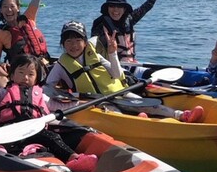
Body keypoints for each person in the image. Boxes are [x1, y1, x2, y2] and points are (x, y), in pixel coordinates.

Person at [46, 21, 203, 122]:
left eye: (78, 40)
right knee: (116, 115)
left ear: (85, 42)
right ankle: (141, 121)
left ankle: (181, 115)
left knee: (148, 105)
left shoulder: (96, 56)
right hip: (96, 101)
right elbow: (49, 86)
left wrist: (113, 53)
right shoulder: (61, 65)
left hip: (119, 92)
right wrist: (66, 96)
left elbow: (116, 74)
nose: (73, 45)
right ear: (63, 44)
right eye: (68, 41)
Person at [0, 54, 97, 172]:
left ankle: (74, 158)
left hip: (33, 129)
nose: (25, 78)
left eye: (31, 74)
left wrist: (80, 104)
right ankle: (0, 154)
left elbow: (60, 106)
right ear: (12, 75)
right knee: (1, 142)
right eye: (21, 73)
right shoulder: (5, 92)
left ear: (37, 78)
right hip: (8, 128)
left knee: (53, 137)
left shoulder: (41, 96)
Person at [90, 0, 163, 63]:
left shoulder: (130, 19)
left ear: (124, 9)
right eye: (112, 6)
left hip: (132, 64)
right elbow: (92, 50)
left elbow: (148, 5)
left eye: (119, 6)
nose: (115, 10)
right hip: (112, 68)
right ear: (107, 8)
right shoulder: (100, 25)